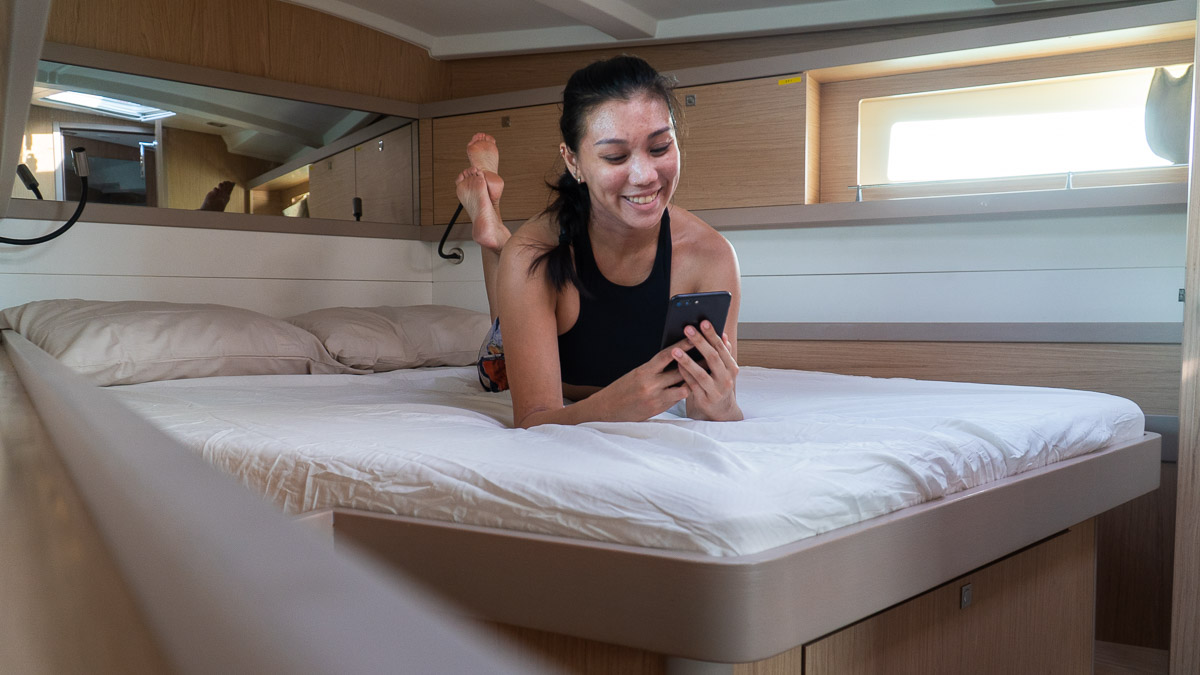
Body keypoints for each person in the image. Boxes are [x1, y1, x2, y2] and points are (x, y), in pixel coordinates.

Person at [455, 55, 742, 428]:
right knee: (499, 356)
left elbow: (714, 414)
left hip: (530, 262)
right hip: (512, 347)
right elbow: (533, 419)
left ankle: (496, 235)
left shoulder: (711, 255)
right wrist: (623, 401)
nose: (644, 176)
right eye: (615, 156)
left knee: (517, 260)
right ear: (573, 161)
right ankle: (493, 237)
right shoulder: (534, 252)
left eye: (660, 148)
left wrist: (722, 407)